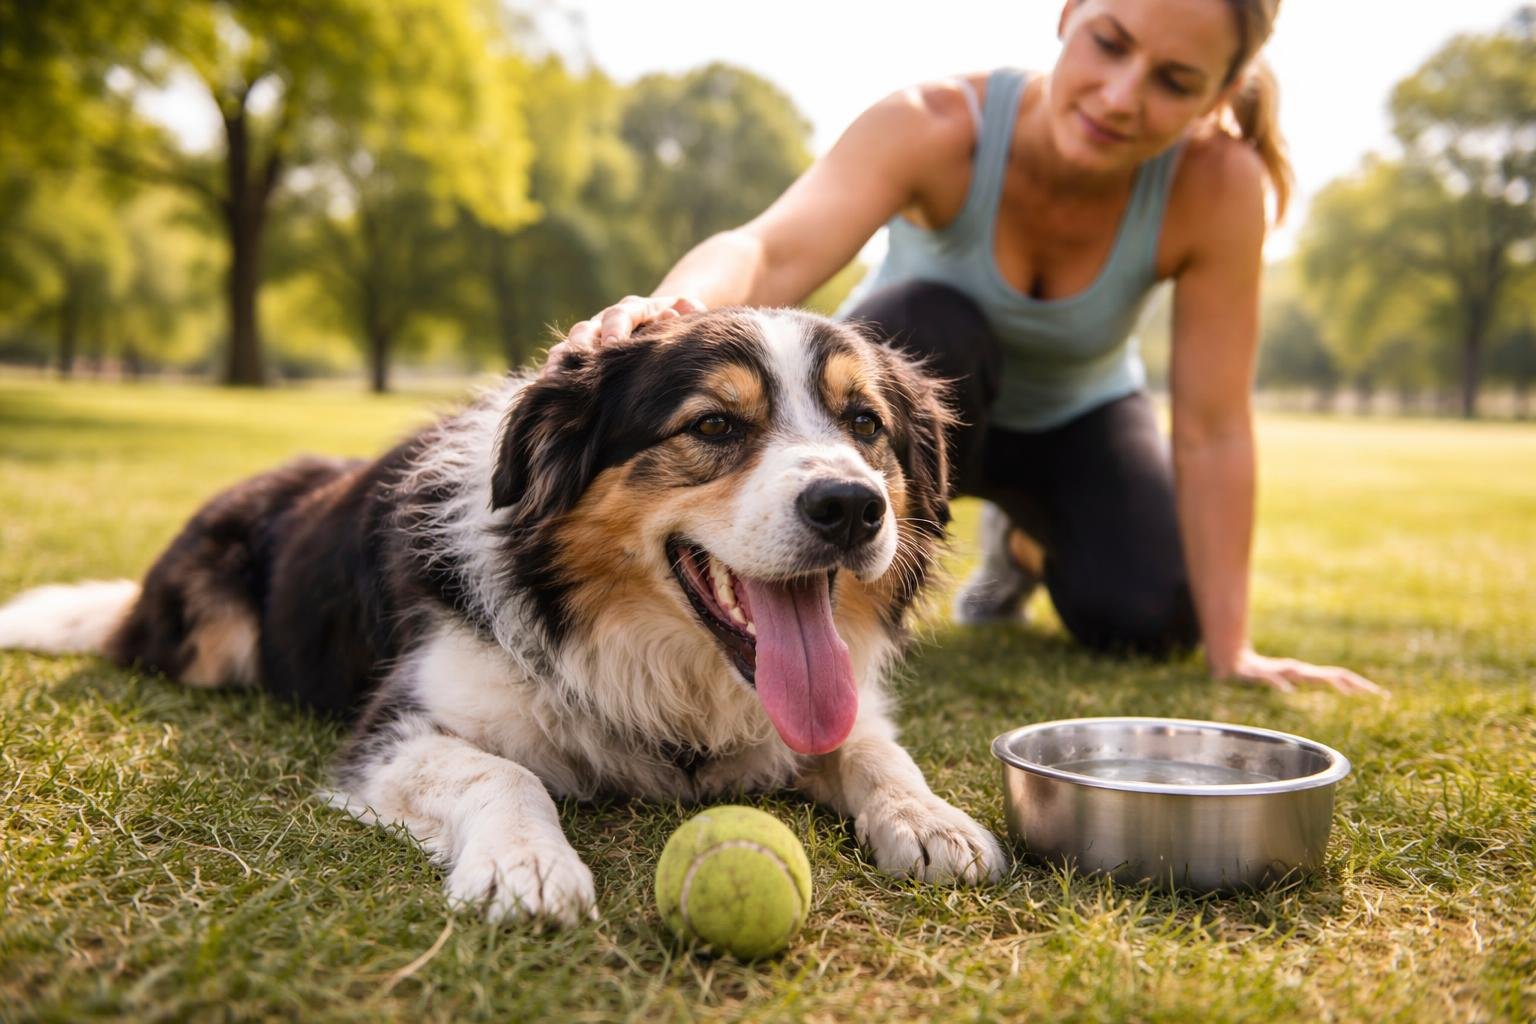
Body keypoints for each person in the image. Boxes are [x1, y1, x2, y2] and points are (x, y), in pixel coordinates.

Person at [554, 0, 1383, 696]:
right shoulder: (933, 123)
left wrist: (1229, 649)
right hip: (900, 414)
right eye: (1111, 43)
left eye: (1174, 82)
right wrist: (669, 309)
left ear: (1221, 93)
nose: (1123, 96)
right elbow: (768, 250)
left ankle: (1024, 541)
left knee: (1148, 618)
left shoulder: (1220, 184)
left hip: (1076, 421)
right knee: (930, 316)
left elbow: (1213, 426)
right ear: (1069, 14)